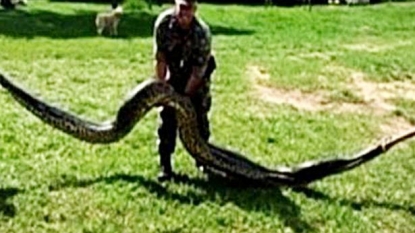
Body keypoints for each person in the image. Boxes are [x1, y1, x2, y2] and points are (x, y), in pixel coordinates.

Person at [152, 0, 217, 181]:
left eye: (189, 9)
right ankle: (165, 165)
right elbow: (160, 59)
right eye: (182, 7)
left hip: (196, 80)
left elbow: (198, 72)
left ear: (195, 10)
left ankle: (204, 162)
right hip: (174, 76)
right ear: (175, 5)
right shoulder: (163, 24)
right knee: (168, 118)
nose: (184, 13)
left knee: (199, 119)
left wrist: (184, 98)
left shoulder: (202, 33)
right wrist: (162, 89)